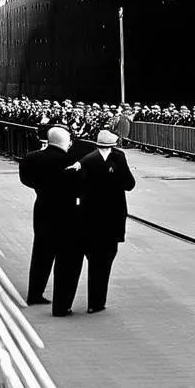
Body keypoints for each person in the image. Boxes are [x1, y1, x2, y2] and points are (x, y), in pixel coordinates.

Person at [69, 129, 137, 313]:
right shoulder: (119, 158)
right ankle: (96, 302)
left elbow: (78, 187)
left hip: (89, 218)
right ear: (114, 145)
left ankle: (92, 301)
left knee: (93, 258)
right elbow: (130, 184)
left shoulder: (86, 159)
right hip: (112, 218)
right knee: (105, 260)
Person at [18, 126, 81, 310]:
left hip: (43, 208)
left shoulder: (31, 158)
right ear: (64, 141)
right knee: (64, 256)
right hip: (66, 211)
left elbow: (26, 179)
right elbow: (78, 187)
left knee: (41, 252)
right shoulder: (70, 161)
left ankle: (35, 293)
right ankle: (61, 297)